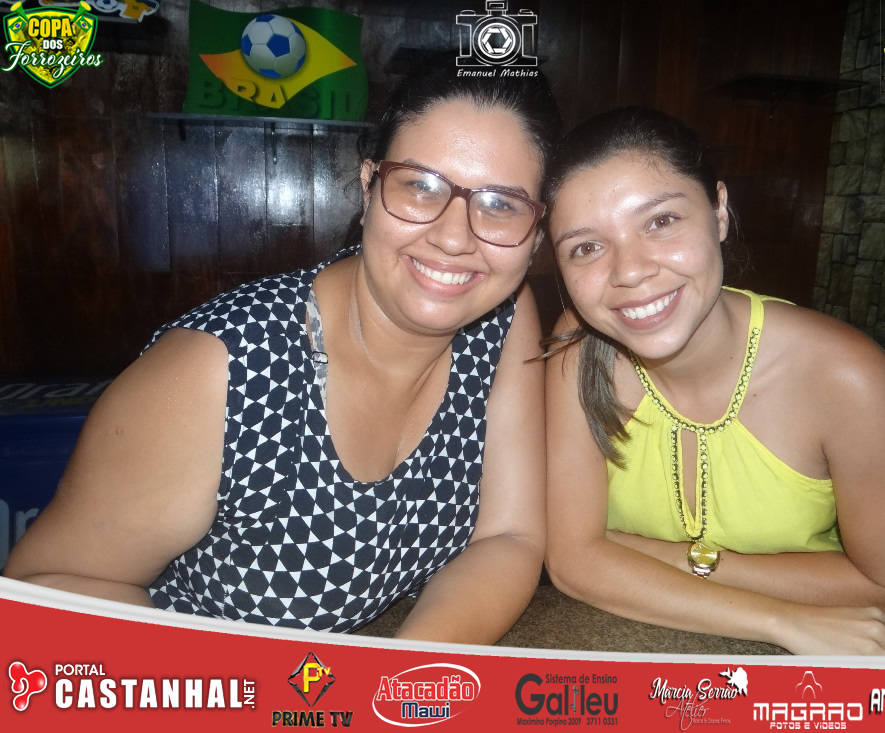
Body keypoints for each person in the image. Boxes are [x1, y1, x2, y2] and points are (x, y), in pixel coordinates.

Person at [4, 68, 561, 643]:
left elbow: (509, 536)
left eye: (501, 204)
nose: (454, 237)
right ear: (369, 187)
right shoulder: (221, 372)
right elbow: (41, 593)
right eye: (420, 185)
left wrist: (398, 679)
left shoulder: (501, 315)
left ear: (536, 234)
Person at [542, 106, 885, 655]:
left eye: (661, 221)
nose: (629, 272)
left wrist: (641, 555)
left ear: (719, 211)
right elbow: (572, 562)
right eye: (586, 247)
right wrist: (782, 621)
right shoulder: (579, 348)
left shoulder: (845, 376)